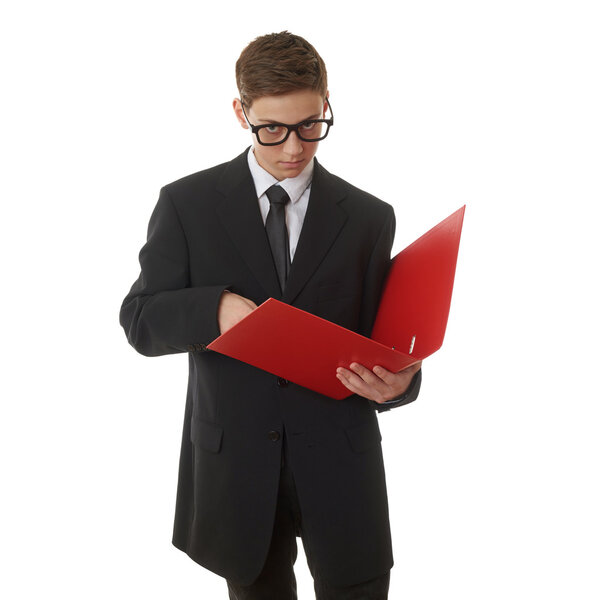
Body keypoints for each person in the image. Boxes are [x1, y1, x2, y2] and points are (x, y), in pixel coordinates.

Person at [120, 31, 422, 600]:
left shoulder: (368, 217)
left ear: (327, 104)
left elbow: (389, 341)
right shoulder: (186, 205)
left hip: (341, 463)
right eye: (272, 129)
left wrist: (403, 382)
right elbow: (140, 319)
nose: (293, 148)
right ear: (241, 112)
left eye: (311, 125)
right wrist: (214, 308)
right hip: (236, 466)